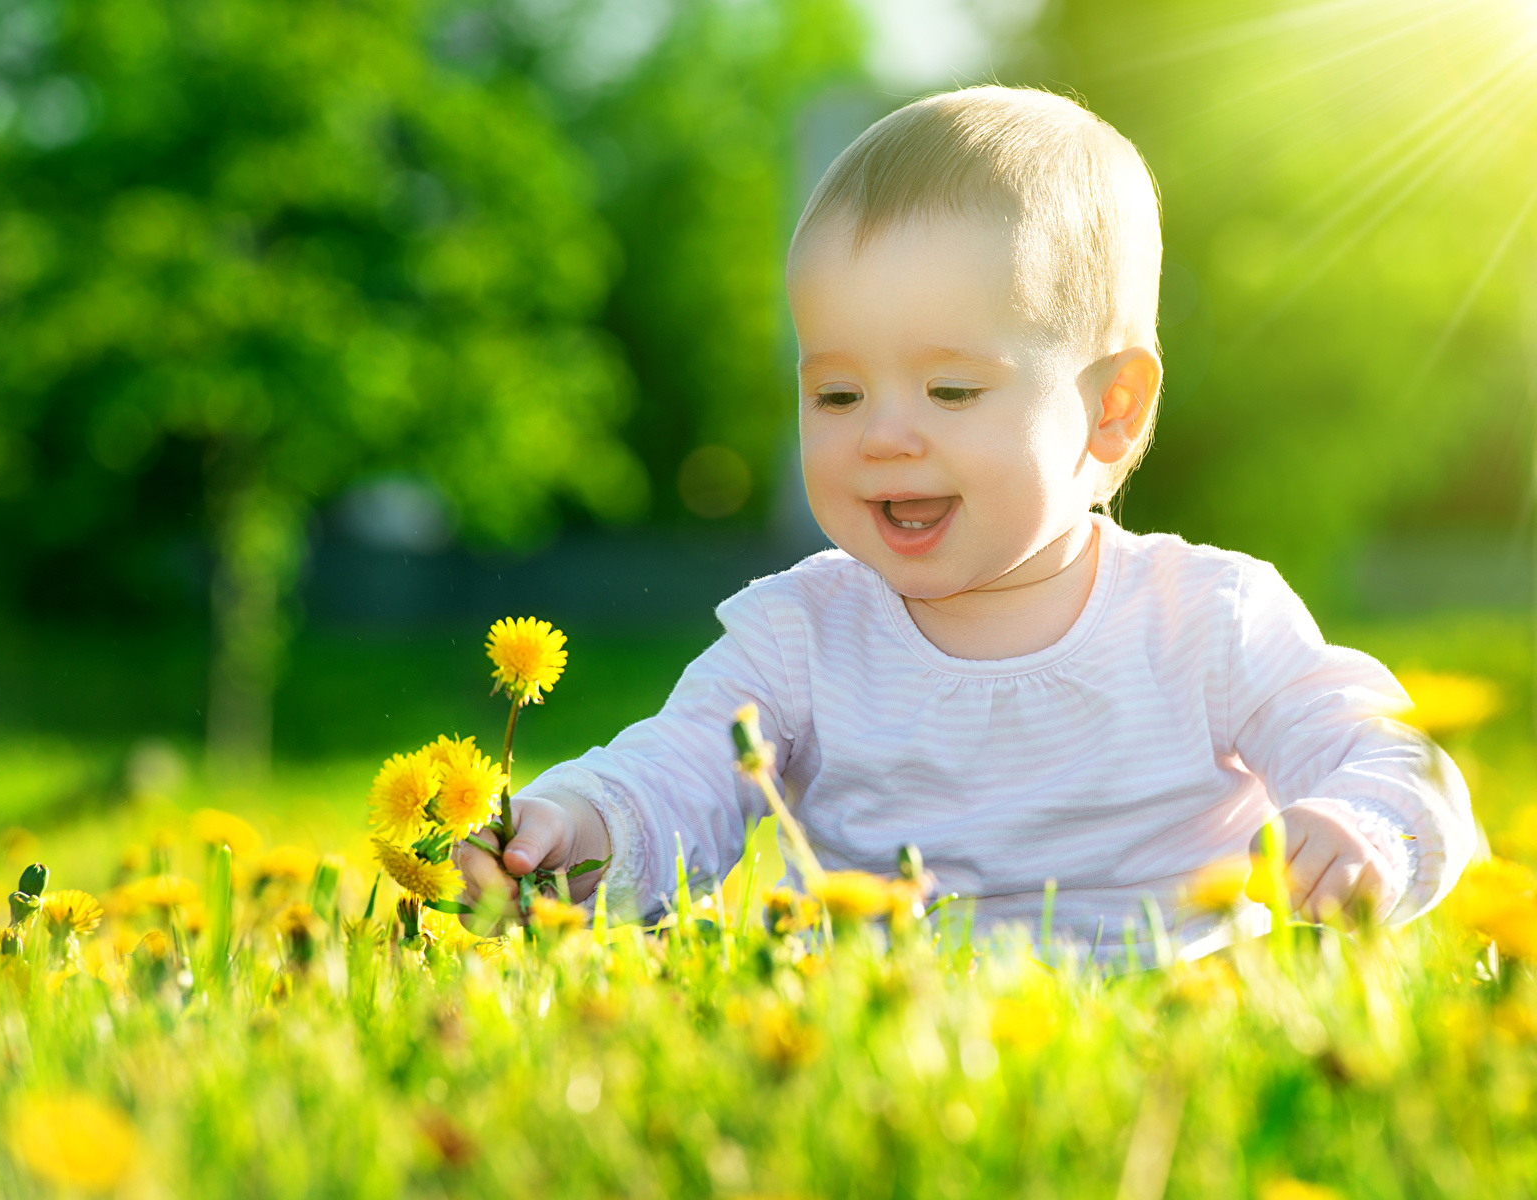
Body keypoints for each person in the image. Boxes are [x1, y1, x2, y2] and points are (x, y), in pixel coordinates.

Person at [452, 85, 1474, 960]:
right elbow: (674, 776)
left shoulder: (1206, 620)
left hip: (1176, 1031)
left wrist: (1363, 832)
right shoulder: (800, 635)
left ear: (1110, 411)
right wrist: (577, 829)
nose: (884, 437)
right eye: (838, 396)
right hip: (886, 1032)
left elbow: (1387, 757)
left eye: (948, 390)